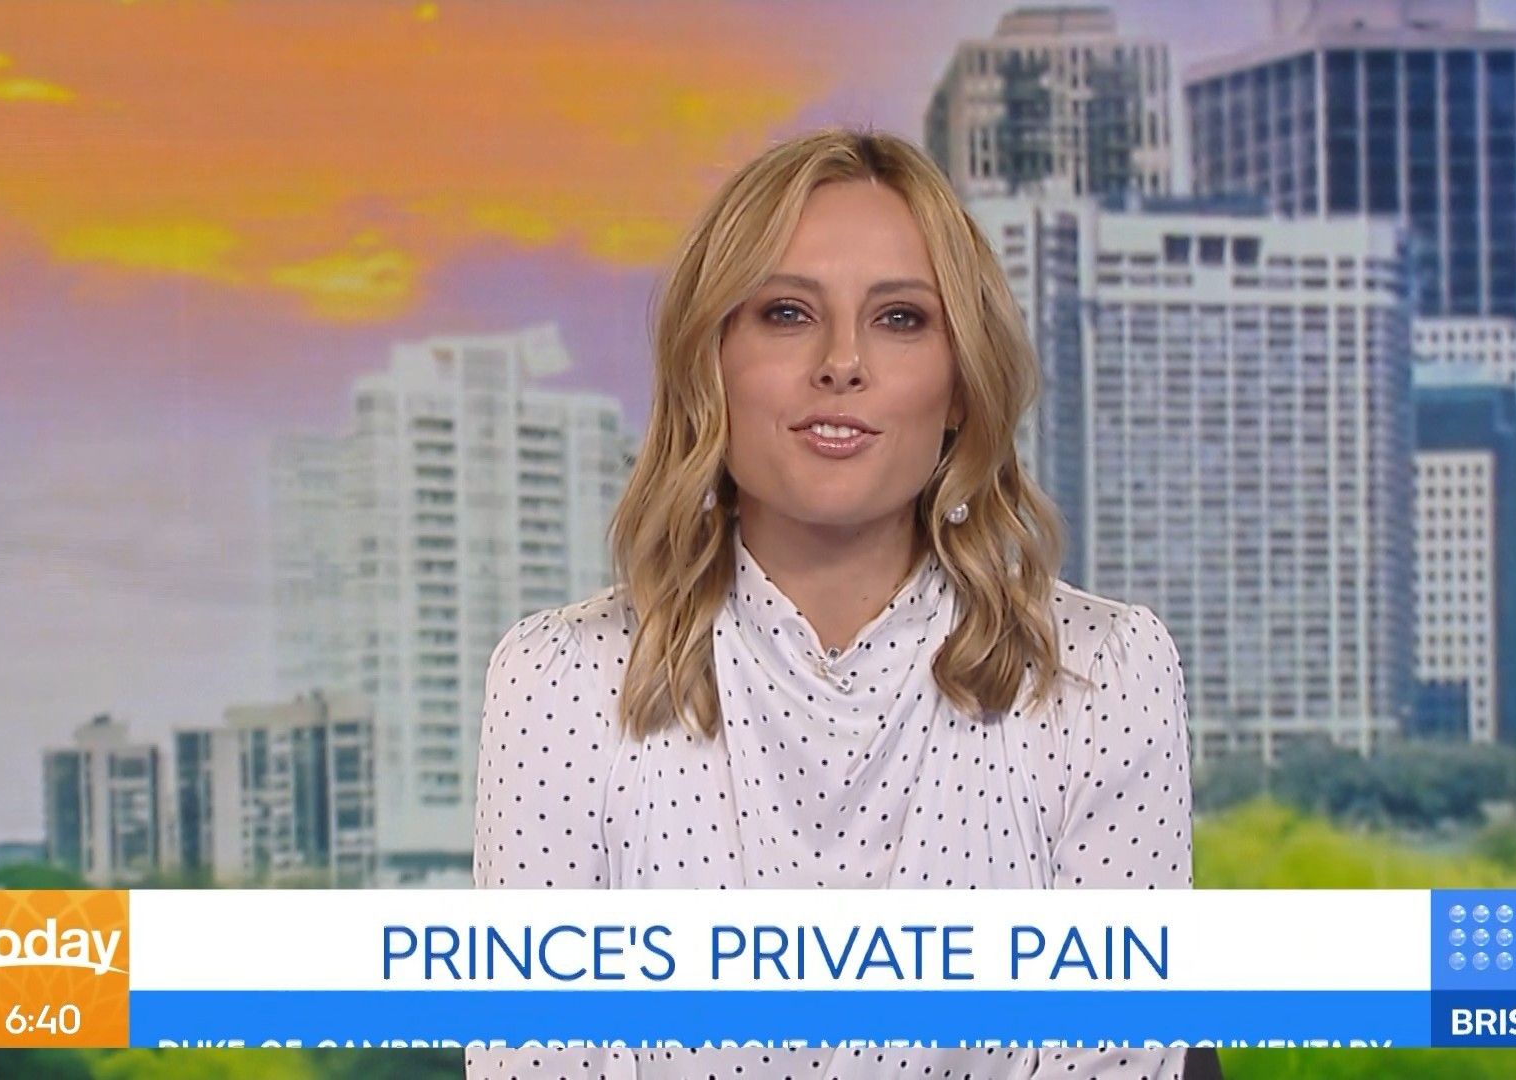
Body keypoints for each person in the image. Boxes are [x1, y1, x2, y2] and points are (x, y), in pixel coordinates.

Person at [469, 127, 1201, 1080]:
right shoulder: (557, 683)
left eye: (900, 318)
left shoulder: (1105, 676)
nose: (842, 362)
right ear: (710, 363)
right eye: (786, 312)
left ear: (959, 386)